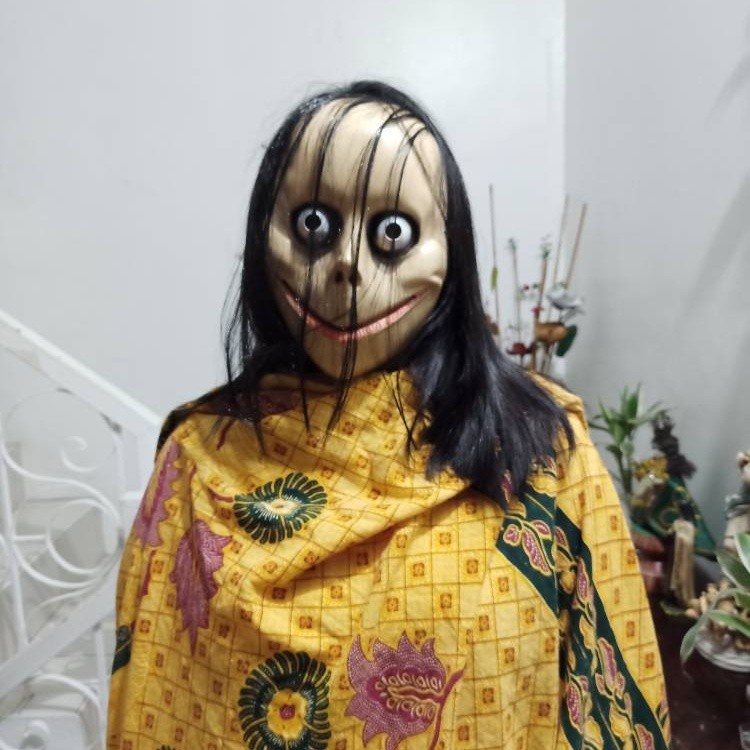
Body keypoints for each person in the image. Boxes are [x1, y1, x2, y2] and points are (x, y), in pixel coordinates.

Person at [107, 81, 670, 750]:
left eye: (391, 233)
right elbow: (158, 692)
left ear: (450, 250)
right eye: (313, 225)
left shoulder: (540, 451)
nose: (347, 264)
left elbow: (610, 698)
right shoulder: (199, 460)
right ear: (265, 235)